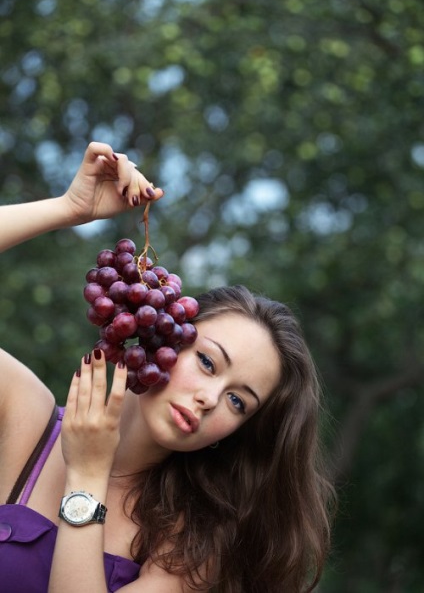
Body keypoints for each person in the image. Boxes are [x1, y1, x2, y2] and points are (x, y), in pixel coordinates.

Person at [0, 142, 334, 593]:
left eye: (238, 401)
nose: (211, 399)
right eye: (208, 362)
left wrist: (86, 476)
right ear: (163, 332)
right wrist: (67, 209)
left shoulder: (192, 544)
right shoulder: (27, 417)